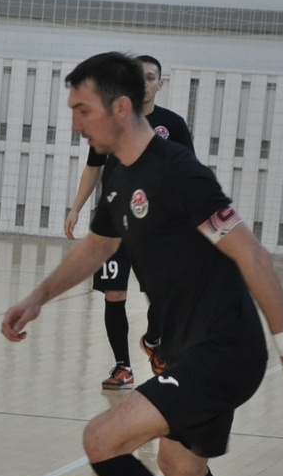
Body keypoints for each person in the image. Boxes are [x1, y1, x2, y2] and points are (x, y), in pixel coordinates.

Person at [2, 52, 283, 476]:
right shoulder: (118, 173)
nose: (75, 122)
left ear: (120, 107)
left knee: (102, 438)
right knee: (181, 466)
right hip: (186, 348)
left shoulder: (179, 173)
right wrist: (38, 297)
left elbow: (251, 253)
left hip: (223, 349)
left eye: (83, 109)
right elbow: (98, 246)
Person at [63, 55, 194, 390]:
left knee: (162, 296)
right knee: (114, 294)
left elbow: (188, 173)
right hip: (115, 223)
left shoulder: (173, 125)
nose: (144, 83)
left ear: (160, 84)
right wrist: (76, 208)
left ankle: (153, 341)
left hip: (156, 227)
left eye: (151, 77)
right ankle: (123, 366)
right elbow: (93, 167)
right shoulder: (109, 123)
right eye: (139, 76)